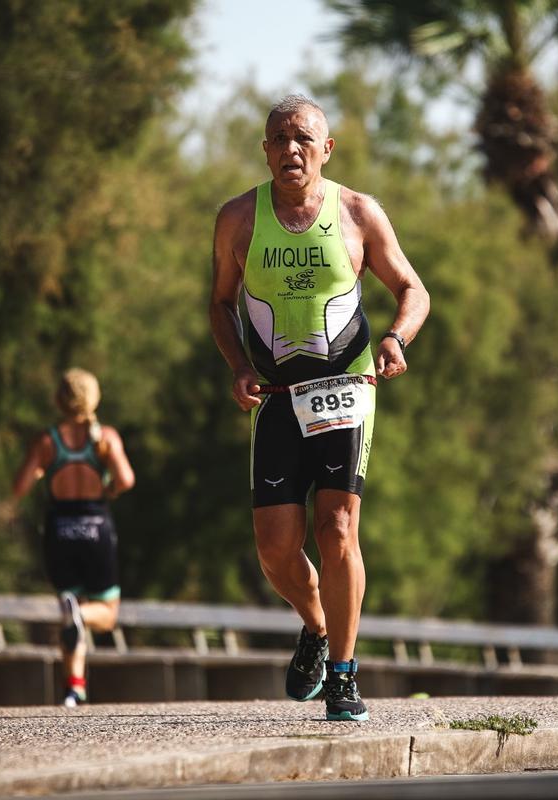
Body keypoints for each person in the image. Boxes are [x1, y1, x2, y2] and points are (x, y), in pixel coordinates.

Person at [209, 95, 430, 721]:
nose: (291, 150)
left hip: (346, 388)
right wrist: (240, 367)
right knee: (276, 548)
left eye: (303, 138)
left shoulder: (359, 211)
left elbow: (414, 289)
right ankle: (317, 625)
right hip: (277, 396)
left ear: (326, 149)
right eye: (278, 140)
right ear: (265, 151)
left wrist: (395, 338)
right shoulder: (237, 219)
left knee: (336, 528)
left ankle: (344, 675)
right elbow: (220, 304)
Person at [11, 368, 136, 707]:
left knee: (71, 606)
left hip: (59, 528)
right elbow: (125, 479)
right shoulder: (104, 438)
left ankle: (73, 688)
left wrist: (40, 470)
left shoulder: (48, 441)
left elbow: (19, 487)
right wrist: (108, 487)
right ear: (95, 398)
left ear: (59, 400)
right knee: (106, 615)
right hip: (96, 524)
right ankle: (79, 621)